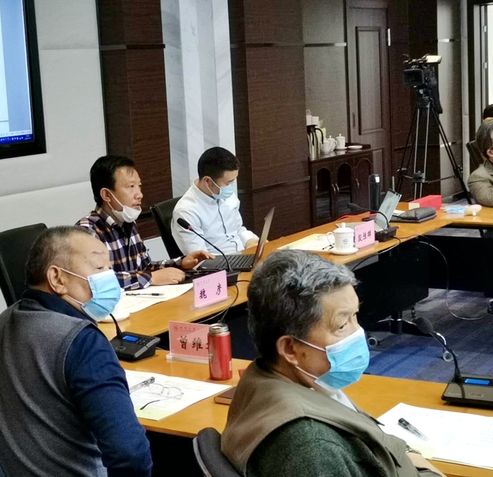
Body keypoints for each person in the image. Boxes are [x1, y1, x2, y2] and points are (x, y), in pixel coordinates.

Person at [221, 250, 445, 477]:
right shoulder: (311, 447)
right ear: (290, 349)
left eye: (355, 316)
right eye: (341, 326)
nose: (358, 333)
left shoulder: (281, 380)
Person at [0, 226, 152, 477]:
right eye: (99, 268)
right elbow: (130, 454)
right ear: (57, 279)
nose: (111, 278)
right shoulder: (83, 341)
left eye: (109, 268)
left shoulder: (3, 321)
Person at [77, 155, 212, 289]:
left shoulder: (129, 223)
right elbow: (94, 281)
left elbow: (144, 267)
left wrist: (180, 263)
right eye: (131, 186)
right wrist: (151, 278)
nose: (139, 194)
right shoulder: (87, 232)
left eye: (139, 186)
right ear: (107, 195)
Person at [171, 147, 259, 255]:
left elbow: (237, 229)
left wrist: (250, 241)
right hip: (222, 263)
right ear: (207, 181)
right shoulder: (186, 212)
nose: (231, 187)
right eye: (228, 183)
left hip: (244, 254)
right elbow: (200, 258)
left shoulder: (226, 194)